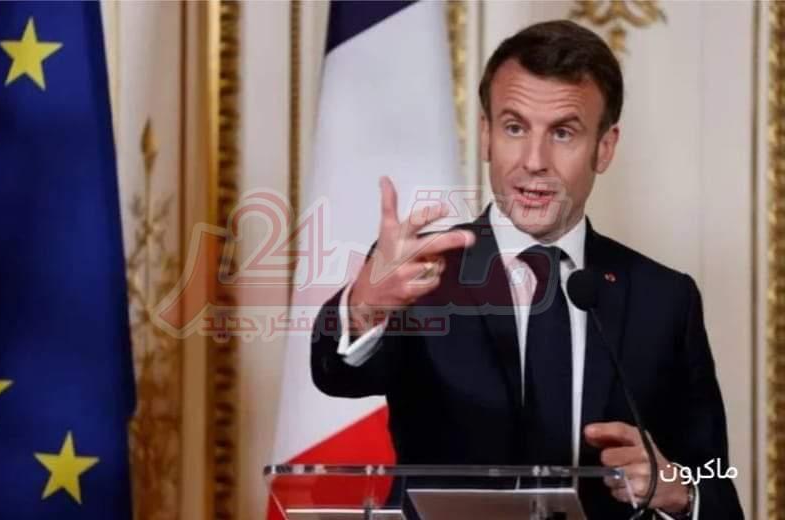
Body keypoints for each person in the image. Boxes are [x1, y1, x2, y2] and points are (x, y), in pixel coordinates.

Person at [310, 20, 743, 519]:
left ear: (604, 147)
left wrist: (683, 492)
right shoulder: (418, 272)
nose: (534, 161)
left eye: (563, 133)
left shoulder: (664, 299)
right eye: (514, 128)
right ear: (487, 135)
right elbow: (335, 376)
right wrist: (363, 307)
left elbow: (717, 483)